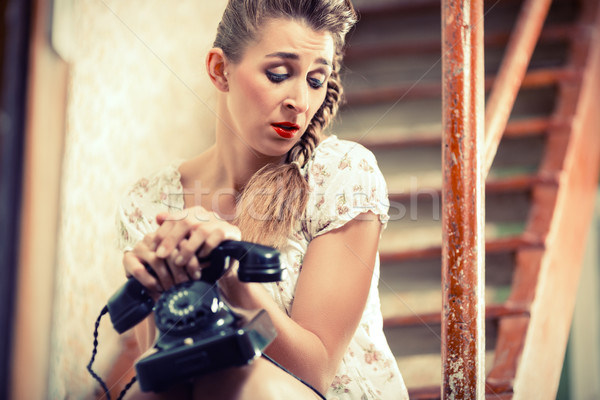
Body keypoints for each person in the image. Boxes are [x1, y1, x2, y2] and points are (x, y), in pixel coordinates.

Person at [116, 0, 409, 399]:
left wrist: (232, 279)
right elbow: (160, 365)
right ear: (221, 70)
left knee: (234, 377)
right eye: (278, 74)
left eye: (316, 79)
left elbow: (316, 368)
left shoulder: (342, 173)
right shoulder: (147, 202)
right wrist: (155, 286)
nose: (300, 102)